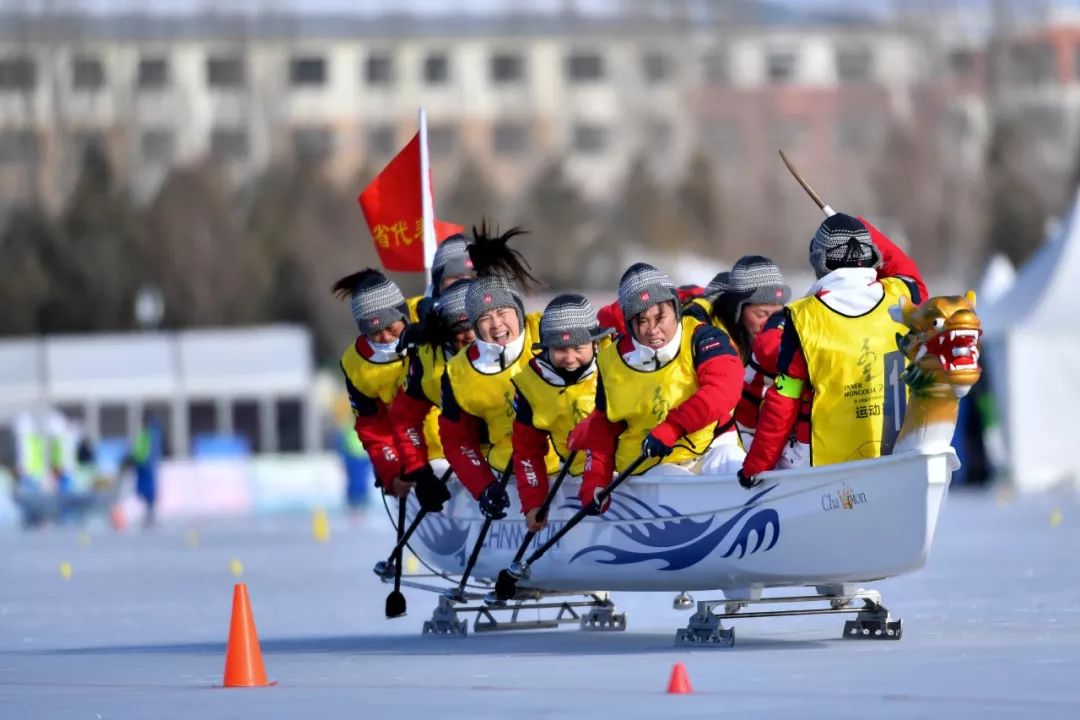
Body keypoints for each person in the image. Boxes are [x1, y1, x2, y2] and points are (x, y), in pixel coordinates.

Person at [738, 213, 927, 487]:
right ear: (871, 254)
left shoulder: (802, 317)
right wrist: (865, 227)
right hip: (898, 452)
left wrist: (755, 466)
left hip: (826, 469)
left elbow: (784, 400)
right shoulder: (904, 294)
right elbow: (906, 269)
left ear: (820, 261)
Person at [577, 263, 743, 512]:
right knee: (677, 485)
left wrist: (672, 427)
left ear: (675, 310)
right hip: (651, 464)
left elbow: (723, 390)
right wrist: (594, 482)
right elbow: (602, 428)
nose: (653, 329)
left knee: (736, 467)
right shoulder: (611, 362)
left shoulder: (704, 338)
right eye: (641, 320)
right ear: (629, 323)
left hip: (710, 446)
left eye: (660, 317)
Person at [438, 223, 559, 521]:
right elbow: (458, 442)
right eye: (485, 318)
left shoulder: (551, 332)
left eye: (503, 313)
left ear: (517, 312)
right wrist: (484, 487)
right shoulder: (459, 373)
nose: (497, 325)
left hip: (569, 468)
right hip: (510, 475)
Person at [511, 294, 610, 531]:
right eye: (560, 349)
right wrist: (534, 502)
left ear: (595, 344)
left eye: (578, 348)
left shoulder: (615, 365)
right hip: (575, 476)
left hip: (626, 473)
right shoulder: (530, 383)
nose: (570, 358)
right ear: (546, 348)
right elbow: (527, 450)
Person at [696, 256, 792, 474]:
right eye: (761, 314)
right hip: (706, 452)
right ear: (737, 311)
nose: (770, 324)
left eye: (777, 315)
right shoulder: (708, 341)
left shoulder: (776, 339)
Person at [388, 278, 476, 509]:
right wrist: (420, 472)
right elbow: (405, 419)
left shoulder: (514, 344)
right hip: (466, 465)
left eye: (477, 325)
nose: (471, 336)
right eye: (460, 329)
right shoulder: (428, 360)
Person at [333, 268, 412, 494]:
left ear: (404, 316)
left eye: (391, 328)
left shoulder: (428, 330)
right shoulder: (356, 364)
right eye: (375, 332)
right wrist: (392, 472)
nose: (385, 338)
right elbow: (372, 427)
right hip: (410, 462)